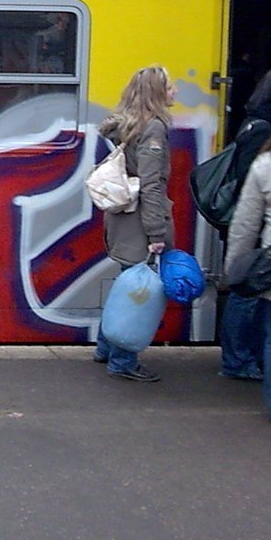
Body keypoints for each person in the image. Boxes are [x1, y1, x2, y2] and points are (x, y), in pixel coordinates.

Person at [93, 66, 176, 382]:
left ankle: (105, 348)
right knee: (136, 291)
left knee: (126, 282)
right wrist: (156, 232)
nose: (175, 92)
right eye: (170, 87)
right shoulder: (153, 129)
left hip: (123, 217)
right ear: (157, 93)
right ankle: (123, 360)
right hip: (140, 220)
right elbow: (151, 184)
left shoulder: (127, 125)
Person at [218, 68, 271, 381]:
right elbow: (253, 182)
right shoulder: (264, 131)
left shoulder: (251, 122)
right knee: (245, 296)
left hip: (254, 224)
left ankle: (241, 358)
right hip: (261, 229)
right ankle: (237, 360)